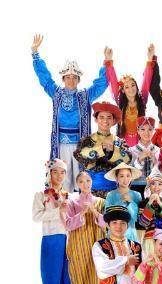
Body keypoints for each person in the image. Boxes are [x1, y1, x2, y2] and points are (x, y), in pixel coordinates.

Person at [31, 34, 108, 192]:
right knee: (62, 180)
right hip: (60, 143)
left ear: (78, 80)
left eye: (74, 77)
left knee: (82, 179)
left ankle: (82, 206)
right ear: (63, 78)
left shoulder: (85, 95)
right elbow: (45, 78)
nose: (71, 80)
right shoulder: (56, 93)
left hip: (80, 145)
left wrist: (106, 63)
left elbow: (101, 84)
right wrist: (35, 53)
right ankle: (62, 206)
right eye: (68, 77)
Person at [33, 159, 74, 284]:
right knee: (51, 277)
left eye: (62, 172)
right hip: (51, 238)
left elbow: (71, 218)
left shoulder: (68, 195)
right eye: (55, 172)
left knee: (67, 277)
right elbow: (36, 216)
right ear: (49, 173)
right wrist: (58, 211)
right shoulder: (41, 195)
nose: (59, 175)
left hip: (67, 238)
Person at [64, 171, 106, 284]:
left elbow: (106, 224)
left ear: (92, 182)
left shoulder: (100, 202)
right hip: (77, 245)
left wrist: (93, 211)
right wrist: (82, 212)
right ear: (77, 184)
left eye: (88, 180)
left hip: (95, 244)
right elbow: (68, 224)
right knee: (78, 276)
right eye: (81, 181)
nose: (85, 184)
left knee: (94, 277)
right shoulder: (71, 201)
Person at [74, 102, 131, 197]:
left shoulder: (120, 142)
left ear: (113, 121)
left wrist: (113, 150)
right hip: (90, 191)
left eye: (109, 117)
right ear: (96, 119)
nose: (105, 120)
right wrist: (101, 149)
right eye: (101, 117)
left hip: (115, 191)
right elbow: (80, 157)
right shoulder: (86, 141)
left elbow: (127, 160)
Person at [104, 44, 155, 147]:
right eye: (127, 87)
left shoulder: (142, 99)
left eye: (133, 85)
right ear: (123, 90)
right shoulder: (120, 101)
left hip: (140, 141)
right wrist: (109, 60)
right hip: (124, 141)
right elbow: (113, 81)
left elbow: (146, 81)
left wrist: (150, 59)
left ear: (136, 86)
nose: (131, 89)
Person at [104, 163, 143, 242]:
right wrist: (120, 202)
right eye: (122, 176)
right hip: (114, 233)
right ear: (116, 178)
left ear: (131, 177)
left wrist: (131, 202)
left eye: (128, 176)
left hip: (131, 233)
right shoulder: (111, 195)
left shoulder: (137, 195)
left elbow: (137, 218)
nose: (125, 179)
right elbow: (107, 216)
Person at [137, 173, 162, 258]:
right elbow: (143, 223)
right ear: (149, 186)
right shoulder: (143, 203)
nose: (156, 187)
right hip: (149, 239)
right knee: (150, 263)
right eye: (153, 184)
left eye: (160, 184)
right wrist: (149, 203)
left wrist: (159, 203)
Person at [130, 116, 160, 195]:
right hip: (135, 188)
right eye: (142, 129)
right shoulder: (131, 151)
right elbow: (129, 173)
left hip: (155, 188)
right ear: (138, 131)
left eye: (150, 129)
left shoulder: (158, 151)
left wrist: (155, 161)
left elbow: (161, 173)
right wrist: (139, 160)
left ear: (154, 131)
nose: (146, 133)